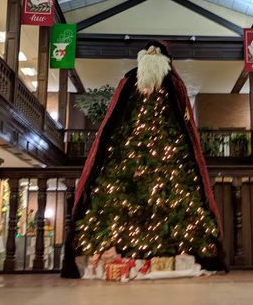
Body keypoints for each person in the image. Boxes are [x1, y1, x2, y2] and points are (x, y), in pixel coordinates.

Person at [62, 40, 225, 278]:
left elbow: (185, 120)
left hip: (168, 161)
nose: (152, 55)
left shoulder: (173, 86)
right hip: (131, 159)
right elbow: (114, 120)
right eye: (149, 52)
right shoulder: (130, 82)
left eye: (155, 52)